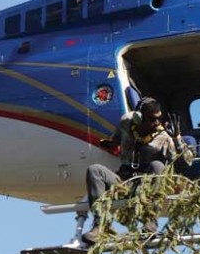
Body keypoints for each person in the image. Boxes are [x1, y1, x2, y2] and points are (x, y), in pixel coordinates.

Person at [82, 97, 193, 245]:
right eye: (152, 119)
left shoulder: (163, 137)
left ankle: (150, 222)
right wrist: (109, 144)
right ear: (139, 118)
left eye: (158, 119)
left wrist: (177, 138)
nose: (157, 123)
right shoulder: (126, 123)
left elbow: (186, 162)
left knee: (157, 166)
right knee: (94, 170)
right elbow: (116, 139)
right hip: (125, 181)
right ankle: (100, 226)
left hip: (146, 186)